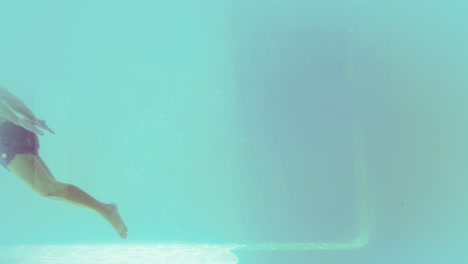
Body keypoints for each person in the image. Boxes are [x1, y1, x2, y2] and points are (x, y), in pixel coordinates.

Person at [0, 86, 128, 239]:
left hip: (7, 136)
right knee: (49, 190)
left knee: (48, 189)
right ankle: (105, 210)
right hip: (15, 130)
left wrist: (19, 120)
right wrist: (29, 118)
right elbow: (9, 98)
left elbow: (7, 100)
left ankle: (106, 210)